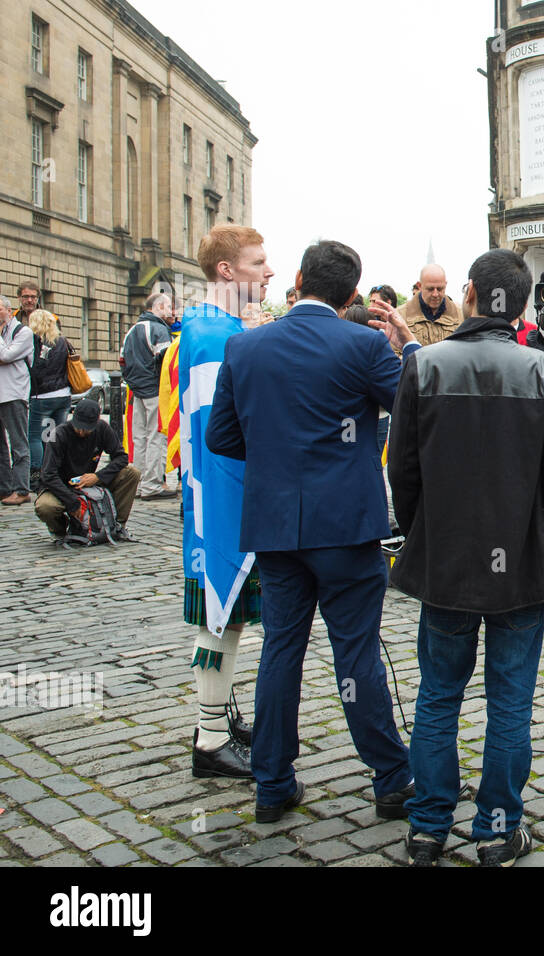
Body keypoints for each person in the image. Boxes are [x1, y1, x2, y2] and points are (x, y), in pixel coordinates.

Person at [206, 239, 419, 822]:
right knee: (357, 655)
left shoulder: (245, 347)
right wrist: (407, 345)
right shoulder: (363, 343)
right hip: (345, 524)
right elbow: (412, 405)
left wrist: (276, 453)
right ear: (352, 293)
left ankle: (272, 782)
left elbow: (221, 438)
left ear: (298, 279)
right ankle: (391, 775)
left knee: (281, 651)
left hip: (276, 525)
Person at [387, 248, 544, 868]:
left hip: (447, 557)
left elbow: (403, 473)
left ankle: (428, 827)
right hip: (517, 562)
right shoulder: (543, 371)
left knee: (438, 694)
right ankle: (496, 827)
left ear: (469, 294)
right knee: (510, 696)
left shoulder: (423, 366)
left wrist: (425, 534)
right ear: (520, 305)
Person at [177, 224, 275, 780]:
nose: (268, 271)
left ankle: (215, 720)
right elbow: (230, 430)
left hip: (218, 498)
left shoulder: (213, 325)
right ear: (226, 271)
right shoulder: (220, 337)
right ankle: (210, 737)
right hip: (227, 500)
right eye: (258, 262)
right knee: (222, 616)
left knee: (226, 617)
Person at [34, 400, 140, 537]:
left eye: (87, 428)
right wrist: (72, 501)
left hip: (88, 481)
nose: (82, 431)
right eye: (79, 427)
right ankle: (60, 528)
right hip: (61, 485)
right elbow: (48, 475)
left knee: (132, 473)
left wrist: (98, 477)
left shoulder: (102, 428)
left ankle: (115, 525)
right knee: (45, 506)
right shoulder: (59, 435)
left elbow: (121, 457)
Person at [121, 293, 177, 499]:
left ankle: (137, 484)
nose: (172, 311)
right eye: (169, 307)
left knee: (139, 438)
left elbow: (122, 361)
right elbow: (166, 363)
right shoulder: (158, 329)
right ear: (159, 306)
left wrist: (135, 384)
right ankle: (152, 484)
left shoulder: (132, 330)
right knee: (156, 437)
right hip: (155, 390)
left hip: (136, 391)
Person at [26, 309, 72, 481]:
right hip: (63, 395)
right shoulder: (62, 341)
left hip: (43, 396)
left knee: (35, 436)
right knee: (54, 435)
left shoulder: (37, 342)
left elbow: (37, 368)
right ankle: (55, 469)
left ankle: (37, 473)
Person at [0, 295, 35, 506]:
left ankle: (22, 489)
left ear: (8, 310)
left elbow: (5, 355)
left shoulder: (23, 332)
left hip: (14, 394)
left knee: (18, 444)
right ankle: (4, 487)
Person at [394, 263, 463, 350]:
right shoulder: (400, 317)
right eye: (430, 289)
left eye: (440, 289)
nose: (435, 294)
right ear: (419, 286)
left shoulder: (461, 315)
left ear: (445, 284)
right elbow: (394, 354)